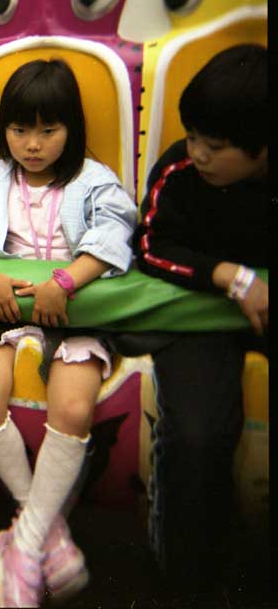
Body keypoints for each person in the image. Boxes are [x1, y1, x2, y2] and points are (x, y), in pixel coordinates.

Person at [0, 59, 137, 607]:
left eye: (48, 130)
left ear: (72, 128)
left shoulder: (94, 180)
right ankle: (46, 532)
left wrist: (65, 282)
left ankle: (21, 544)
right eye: (20, 130)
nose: (33, 144)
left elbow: (116, 232)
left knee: (74, 408)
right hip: (5, 318)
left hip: (75, 317)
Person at [134, 44, 268, 595]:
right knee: (195, 437)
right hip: (199, 316)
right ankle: (185, 580)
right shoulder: (180, 169)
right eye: (193, 137)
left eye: (215, 146)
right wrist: (227, 276)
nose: (198, 154)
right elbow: (149, 246)